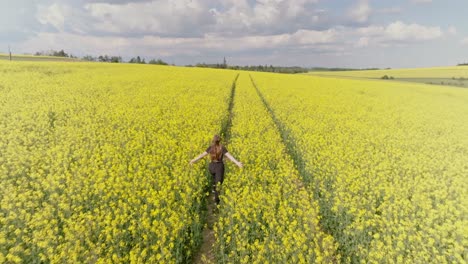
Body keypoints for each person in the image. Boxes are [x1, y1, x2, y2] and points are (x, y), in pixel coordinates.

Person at [190, 135, 243, 204]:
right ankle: (216, 201)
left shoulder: (210, 148)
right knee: (219, 184)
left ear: (213, 141)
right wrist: (237, 163)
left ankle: (214, 190)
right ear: (219, 141)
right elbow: (230, 157)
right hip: (219, 167)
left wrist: (193, 160)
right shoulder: (222, 148)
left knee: (214, 180)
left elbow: (202, 155)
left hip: (211, 166)